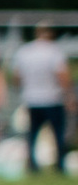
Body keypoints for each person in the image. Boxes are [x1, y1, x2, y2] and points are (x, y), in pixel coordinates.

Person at [12, 24, 69, 175]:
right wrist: (69, 96)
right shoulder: (54, 51)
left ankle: (32, 165)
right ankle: (59, 166)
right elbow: (62, 75)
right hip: (53, 98)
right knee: (58, 134)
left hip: (31, 98)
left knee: (32, 135)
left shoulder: (24, 51)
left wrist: (23, 90)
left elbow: (17, 76)